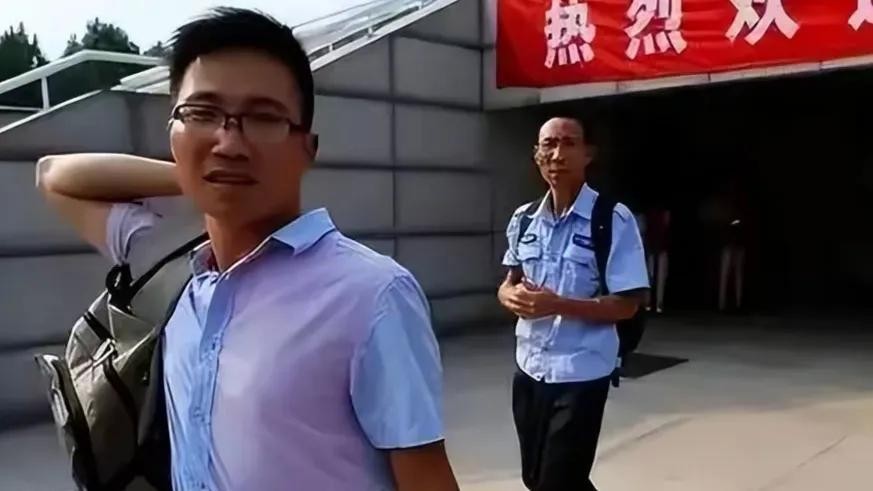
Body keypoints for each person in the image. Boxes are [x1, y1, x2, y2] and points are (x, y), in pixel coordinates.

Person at [36, 8, 458, 491]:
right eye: (202, 113)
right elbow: (54, 176)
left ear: (308, 148)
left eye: (263, 118)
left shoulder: (371, 295)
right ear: (173, 132)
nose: (229, 142)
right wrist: (202, 176)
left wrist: (215, 172)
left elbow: (426, 479)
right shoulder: (167, 262)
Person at [497, 117, 649, 491]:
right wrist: (508, 296)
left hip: (582, 372)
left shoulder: (612, 219)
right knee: (537, 478)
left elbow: (627, 305)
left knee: (557, 482)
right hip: (529, 368)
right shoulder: (523, 219)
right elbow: (508, 283)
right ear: (537, 154)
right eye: (548, 144)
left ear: (588, 154)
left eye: (568, 143)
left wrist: (557, 304)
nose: (557, 154)